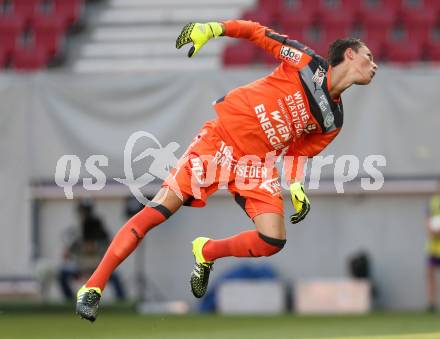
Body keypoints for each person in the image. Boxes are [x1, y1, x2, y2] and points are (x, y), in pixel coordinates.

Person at [76, 20, 378, 321]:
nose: (374, 65)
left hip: (257, 166)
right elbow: (258, 33)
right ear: (349, 54)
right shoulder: (306, 63)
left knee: (272, 240)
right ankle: (93, 287)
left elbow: (297, 153)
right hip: (220, 141)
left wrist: (296, 185)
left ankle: (207, 252)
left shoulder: (332, 121)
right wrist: (212, 29)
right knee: (157, 211)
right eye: (369, 56)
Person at [59, 200, 125, 301]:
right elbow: (66, 254)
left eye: (86, 211)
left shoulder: (101, 233)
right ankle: (70, 301)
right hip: (80, 266)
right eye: (82, 212)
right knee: (62, 274)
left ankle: (121, 302)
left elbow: (112, 250)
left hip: (98, 268)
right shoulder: (77, 234)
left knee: (115, 276)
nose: (84, 215)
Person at [426, 188, 440, 312]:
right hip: (434, 248)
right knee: (430, 274)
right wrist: (431, 229)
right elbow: (427, 221)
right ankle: (432, 303)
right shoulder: (433, 202)